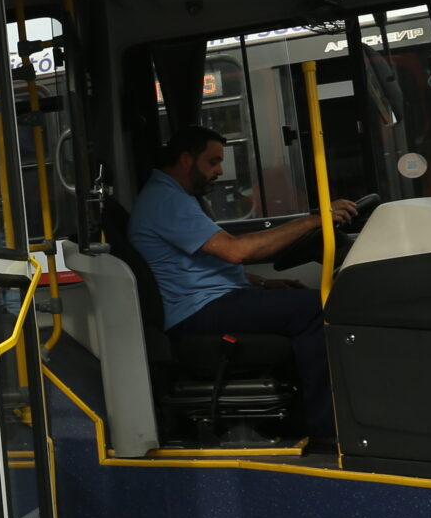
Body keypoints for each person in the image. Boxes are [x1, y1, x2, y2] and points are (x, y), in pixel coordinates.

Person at [125, 127, 358, 445]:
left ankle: (307, 416)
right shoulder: (166, 200)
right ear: (185, 159)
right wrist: (313, 220)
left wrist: (263, 282)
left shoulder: (175, 196)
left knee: (302, 299)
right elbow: (236, 251)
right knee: (316, 309)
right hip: (195, 310)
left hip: (208, 299)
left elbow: (198, 264)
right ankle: (328, 431)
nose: (220, 171)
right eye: (213, 162)